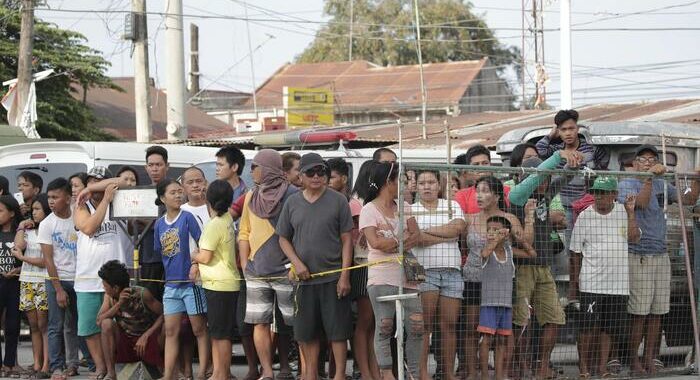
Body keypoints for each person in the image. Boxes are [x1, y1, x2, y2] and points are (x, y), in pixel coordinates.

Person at [617, 144, 700, 375]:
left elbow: (689, 199)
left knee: (658, 312)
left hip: (661, 253)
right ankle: (633, 360)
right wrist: (649, 178)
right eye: (643, 159)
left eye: (652, 159)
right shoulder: (627, 183)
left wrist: (696, 179)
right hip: (639, 254)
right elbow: (641, 203)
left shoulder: (663, 184)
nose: (648, 162)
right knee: (639, 313)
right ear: (634, 164)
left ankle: (651, 358)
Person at [277, 153, 354, 380]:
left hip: (332, 278)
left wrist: (344, 276)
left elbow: (347, 239)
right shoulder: (292, 202)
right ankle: (310, 374)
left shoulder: (338, 200)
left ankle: (339, 375)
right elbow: (283, 238)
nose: (317, 176)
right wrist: (297, 263)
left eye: (321, 172)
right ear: (300, 176)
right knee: (306, 333)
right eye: (310, 172)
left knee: (338, 332)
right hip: (304, 281)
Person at [508, 152, 578, 378]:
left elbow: (566, 177)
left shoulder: (546, 194)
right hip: (522, 267)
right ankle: (520, 366)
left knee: (555, 317)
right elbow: (538, 177)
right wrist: (558, 156)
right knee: (521, 321)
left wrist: (574, 164)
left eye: (547, 178)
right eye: (542, 177)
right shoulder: (517, 196)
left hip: (544, 267)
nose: (545, 182)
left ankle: (541, 364)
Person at [569, 177, 640, 378]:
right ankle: (583, 367)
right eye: (596, 192)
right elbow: (574, 253)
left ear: (614, 195)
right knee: (587, 328)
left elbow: (634, 238)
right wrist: (575, 286)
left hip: (618, 284)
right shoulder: (584, 216)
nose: (598, 196)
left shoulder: (623, 211)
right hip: (592, 283)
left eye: (603, 192)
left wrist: (631, 213)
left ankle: (601, 368)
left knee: (609, 329)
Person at [360, 161, 423, 380]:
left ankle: (413, 373)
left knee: (416, 325)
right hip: (381, 276)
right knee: (385, 325)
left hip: (407, 275)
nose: (404, 185)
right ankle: (386, 372)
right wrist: (402, 240)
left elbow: (417, 235)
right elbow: (375, 243)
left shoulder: (404, 206)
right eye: (401, 180)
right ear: (388, 182)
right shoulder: (368, 209)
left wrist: (394, 242)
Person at [239, 150, 298, 380]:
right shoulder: (251, 197)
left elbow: (298, 233)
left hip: (287, 271)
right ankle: (267, 371)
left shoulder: (293, 195)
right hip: (256, 271)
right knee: (260, 323)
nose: (252, 171)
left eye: (256, 166)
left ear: (270, 168)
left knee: (292, 324)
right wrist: (245, 263)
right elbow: (244, 232)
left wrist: (294, 265)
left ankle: (298, 369)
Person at [462, 176, 524, 380]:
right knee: (472, 328)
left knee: (502, 332)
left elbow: (525, 241)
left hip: (500, 282)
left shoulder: (509, 218)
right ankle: (472, 373)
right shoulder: (469, 219)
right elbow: (464, 246)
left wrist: (528, 220)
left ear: (497, 195)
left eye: (485, 191)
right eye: (477, 191)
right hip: (474, 277)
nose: (479, 195)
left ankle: (501, 374)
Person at [73, 167, 131, 379]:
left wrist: (96, 188)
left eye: (101, 181)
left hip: (116, 278)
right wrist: (104, 199)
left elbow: (127, 180)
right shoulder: (81, 205)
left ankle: (114, 366)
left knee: (115, 325)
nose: (95, 186)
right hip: (88, 278)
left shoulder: (121, 201)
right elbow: (89, 228)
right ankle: (101, 367)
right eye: (91, 181)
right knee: (90, 327)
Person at [410, 170, 466, 380]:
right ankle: (423, 373)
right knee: (425, 326)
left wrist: (427, 232)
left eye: (431, 182)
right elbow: (416, 239)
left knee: (449, 325)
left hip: (452, 271)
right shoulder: (410, 209)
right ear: (416, 186)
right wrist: (444, 232)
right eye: (422, 182)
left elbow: (458, 229)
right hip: (424, 272)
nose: (426, 186)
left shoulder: (451, 206)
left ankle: (448, 373)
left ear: (439, 185)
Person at [153, 179, 209, 380]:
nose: (178, 196)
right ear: (162, 198)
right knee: (170, 331)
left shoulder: (189, 218)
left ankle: (202, 372)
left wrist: (195, 265)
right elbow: (161, 252)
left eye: (179, 191)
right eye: (173, 192)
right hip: (171, 285)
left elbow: (203, 245)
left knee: (199, 329)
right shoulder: (159, 224)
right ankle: (169, 375)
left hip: (191, 283)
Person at [535, 109, 610, 246]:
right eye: (563, 129)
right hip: (564, 208)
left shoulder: (591, 149)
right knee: (572, 247)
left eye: (571, 128)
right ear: (558, 131)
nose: (568, 133)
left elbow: (603, 170)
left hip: (589, 206)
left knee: (592, 245)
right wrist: (551, 135)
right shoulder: (556, 150)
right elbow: (539, 149)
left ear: (578, 128)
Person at [191, 180, 241, 380]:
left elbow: (205, 257)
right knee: (222, 332)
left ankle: (220, 373)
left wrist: (193, 255)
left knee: (219, 333)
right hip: (228, 282)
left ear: (207, 200)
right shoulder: (228, 218)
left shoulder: (214, 225)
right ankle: (221, 372)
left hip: (218, 284)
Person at [478, 216, 536, 380]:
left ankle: (498, 375)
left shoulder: (509, 251)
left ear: (506, 233)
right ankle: (483, 375)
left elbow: (531, 254)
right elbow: (485, 253)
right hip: (489, 303)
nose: (492, 233)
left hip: (506, 304)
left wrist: (521, 240)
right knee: (486, 339)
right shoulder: (487, 249)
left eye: (496, 230)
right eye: (489, 230)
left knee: (502, 340)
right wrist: (496, 240)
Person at [38, 178, 80, 379]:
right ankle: (56, 366)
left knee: (76, 324)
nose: (51, 201)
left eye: (55, 197)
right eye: (49, 197)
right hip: (56, 279)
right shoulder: (47, 224)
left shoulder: (79, 216)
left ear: (68, 197)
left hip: (80, 279)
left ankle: (75, 364)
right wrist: (58, 289)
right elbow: (48, 259)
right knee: (55, 325)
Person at [97, 260, 164, 380]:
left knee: (168, 327)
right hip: (125, 340)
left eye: (105, 285)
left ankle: (169, 369)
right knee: (106, 324)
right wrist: (118, 305)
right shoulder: (109, 297)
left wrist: (147, 335)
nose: (103, 287)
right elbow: (99, 321)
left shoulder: (142, 294)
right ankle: (111, 373)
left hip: (146, 341)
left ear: (116, 288)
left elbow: (164, 314)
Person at [13, 194, 51, 378]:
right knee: (33, 325)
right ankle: (36, 363)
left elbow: (45, 261)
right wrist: (21, 225)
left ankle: (46, 363)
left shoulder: (49, 230)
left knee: (44, 325)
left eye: (38, 209)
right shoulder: (28, 230)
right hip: (27, 281)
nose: (34, 213)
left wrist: (24, 258)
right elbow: (18, 246)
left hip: (43, 281)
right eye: (32, 210)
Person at [349, 159, 381, 380]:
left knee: (376, 324)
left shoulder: (380, 202)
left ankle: (374, 370)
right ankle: (366, 371)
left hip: (380, 266)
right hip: (362, 266)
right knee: (365, 321)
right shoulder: (356, 204)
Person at [140, 145, 170, 302]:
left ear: (167, 166)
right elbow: (133, 229)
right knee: (150, 304)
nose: (154, 169)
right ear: (146, 168)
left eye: (158, 165)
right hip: (148, 258)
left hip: (171, 259)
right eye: (151, 165)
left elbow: (167, 223)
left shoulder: (174, 192)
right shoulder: (140, 194)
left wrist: (140, 219)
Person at [0, 196, 23, 377]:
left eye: (1, 211)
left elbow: (28, 255)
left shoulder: (20, 232)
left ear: (12, 212)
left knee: (13, 326)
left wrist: (19, 268)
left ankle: (10, 364)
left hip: (15, 284)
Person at [454, 145, 511, 215]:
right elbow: (461, 220)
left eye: (485, 163)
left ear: (491, 165)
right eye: (476, 164)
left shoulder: (508, 191)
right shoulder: (462, 195)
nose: (481, 167)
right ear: (469, 169)